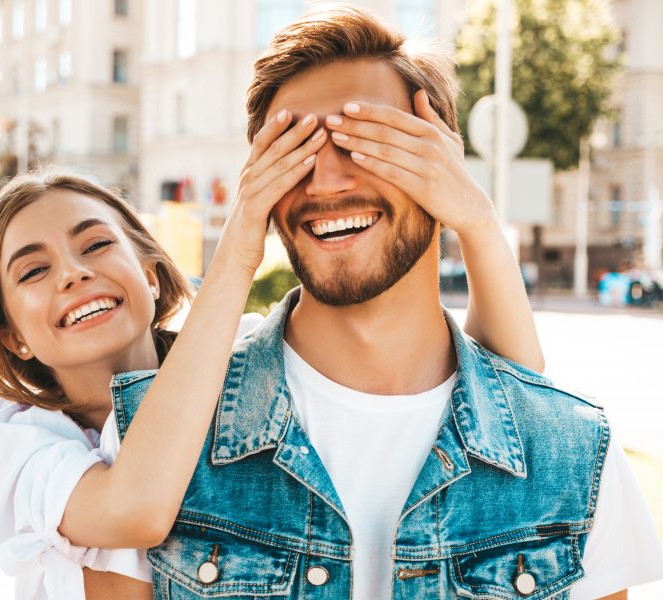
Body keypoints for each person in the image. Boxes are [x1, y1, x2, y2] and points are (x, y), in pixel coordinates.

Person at [106, 5, 663, 600]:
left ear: (441, 160)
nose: (324, 181)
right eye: (292, 151)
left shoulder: (574, 452)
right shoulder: (148, 445)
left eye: (364, 141)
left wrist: (478, 220)